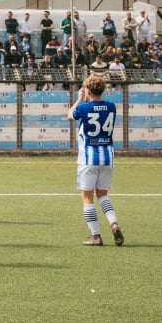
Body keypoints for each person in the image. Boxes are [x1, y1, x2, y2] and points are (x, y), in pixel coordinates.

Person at [68, 75, 124, 247]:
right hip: (107, 157)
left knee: (87, 197)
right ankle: (113, 223)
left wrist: (79, 99)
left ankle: (96, 236)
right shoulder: (112, 107)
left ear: (88, 90)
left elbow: (70, 115)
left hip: (88, 158)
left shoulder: (84, 108)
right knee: (103, 195)